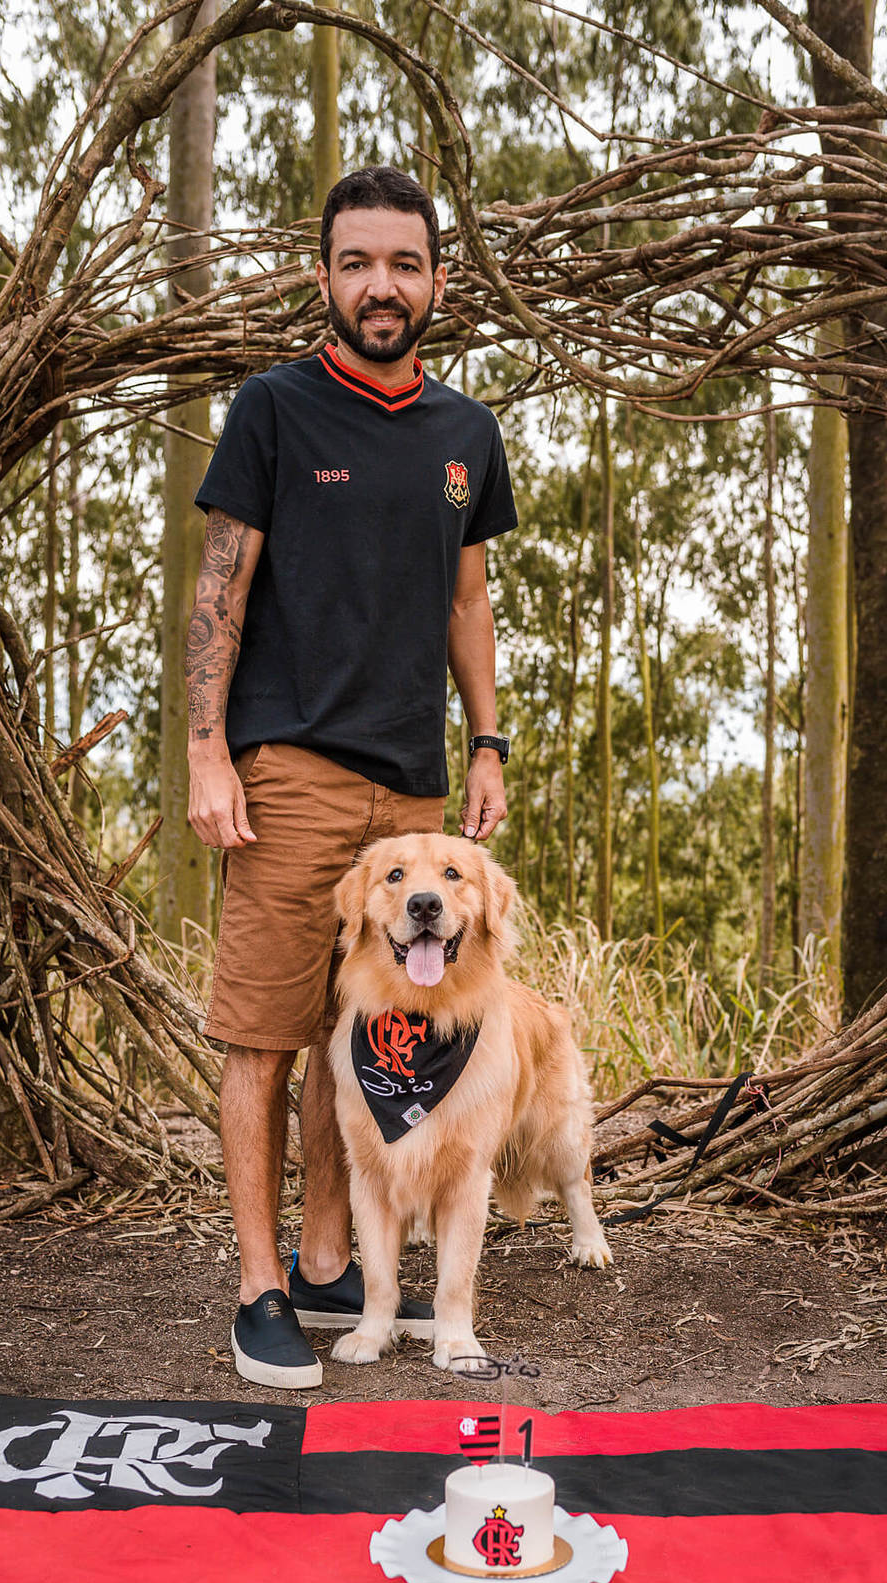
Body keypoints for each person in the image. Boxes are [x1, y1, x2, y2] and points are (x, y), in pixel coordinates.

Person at [185, 166, 517, 1389]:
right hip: (288, 769)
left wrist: (486, 742)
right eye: (359, 262)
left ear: (436, 278)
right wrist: (206, 746)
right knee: (264, 1035)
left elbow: (467, 598)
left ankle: (331, 1259)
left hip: (412, 797)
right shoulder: (272, 410)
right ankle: (260, 1288)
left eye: (405, 263)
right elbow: (221, 580)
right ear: (323, 275)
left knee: (369, 1033)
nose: (383, 286)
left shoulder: (465, 435)